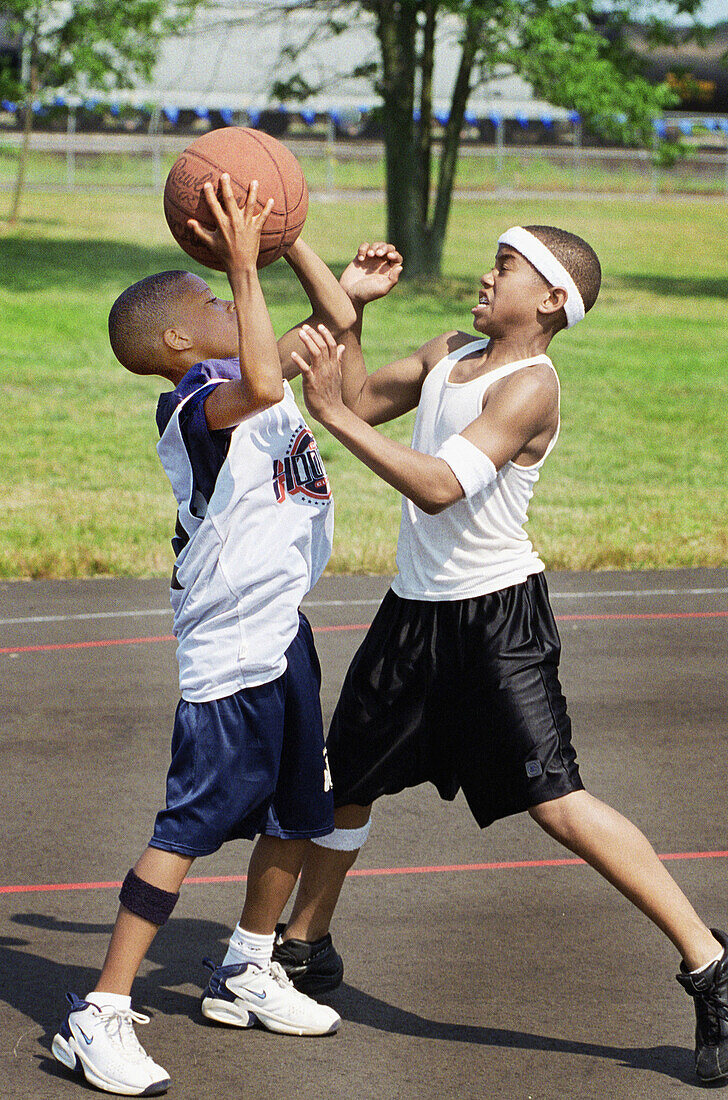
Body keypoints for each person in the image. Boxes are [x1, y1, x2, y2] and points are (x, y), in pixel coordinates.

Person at [274, 227, 728, 1085]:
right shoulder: (452, 351)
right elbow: (364, 398)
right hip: (414, 614)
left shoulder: (530, 390)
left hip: (496, 624)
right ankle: (304, 945)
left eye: (508, 267)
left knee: (555, 803)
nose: (488, 274)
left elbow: (440, 487)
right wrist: (356, 313)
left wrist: (329, 414)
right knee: (348, 782)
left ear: (552, 300)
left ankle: (710, 963)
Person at [50, 177, 390, 1097]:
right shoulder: (194, 404)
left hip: (281, 631)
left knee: (296, 809)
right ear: (175, 342)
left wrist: (313, 262)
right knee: (188, 827)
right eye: (207, 299)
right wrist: (241, 257)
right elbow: (270, 378)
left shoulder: (242, 366)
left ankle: (245, 967)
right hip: (230, 645)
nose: (221, 294)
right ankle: (101, 1013)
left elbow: (329, 321)